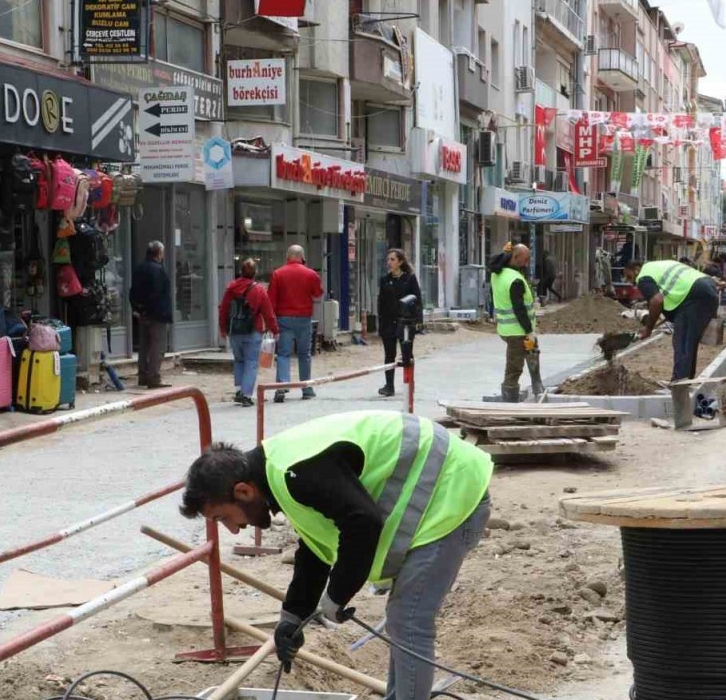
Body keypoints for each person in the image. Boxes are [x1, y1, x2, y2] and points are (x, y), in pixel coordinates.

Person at [178, 410, 492, 700]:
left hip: (453, 492)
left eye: (224, 518)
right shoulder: (281, 476)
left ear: (244, 491)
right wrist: (292, 617)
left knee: (409, 620)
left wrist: (336, 595)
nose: (233, 530)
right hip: (440, 493)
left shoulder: (296, 471)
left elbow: (362, 523)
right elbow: (314, 549)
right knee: (403, 619)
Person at [623, 258, 720, 381]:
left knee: (682, 341)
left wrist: (648, 328)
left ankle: (679, 383)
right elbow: (665, 298)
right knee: (689, 341)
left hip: (693, 295)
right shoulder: (657, 265)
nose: (630, 282)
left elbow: (656, 301)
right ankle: (686, 380)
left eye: (629, 276)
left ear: (636, 269)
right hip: (707, 286)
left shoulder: (643, 277)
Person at [219, 259, 278, 407]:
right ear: (255, 273)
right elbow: (268, 312)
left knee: (239, 360)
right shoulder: (258, 290)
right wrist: (274, 329)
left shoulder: (231, 288)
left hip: (234, 331)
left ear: (241, 271)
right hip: (253, 330)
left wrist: (223, 328)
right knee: (251, 363)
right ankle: (246, 395)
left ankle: (239, 390)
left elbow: (224, 309)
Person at [268, 245, 323, 403]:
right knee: (304, 354)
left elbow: (271, 299)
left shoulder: (277, 274)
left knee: (284, 353)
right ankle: (306, 388)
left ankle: (282, 385)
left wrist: (271, 322)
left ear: (287, 256)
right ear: (302, 257)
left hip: (283, 318)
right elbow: (318, 293)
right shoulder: (310, 274)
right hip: (303, 318)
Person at [491, 243, 544, 401]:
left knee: (532, 352)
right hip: (517, 331)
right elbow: (519, 309)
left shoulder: (497, 274)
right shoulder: (515, 280)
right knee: (514, 367)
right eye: (525, 259)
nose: (526, 263)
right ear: (515, 257)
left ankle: (538, 386)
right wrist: (529, 331)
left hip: (507, 329)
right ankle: (509, 400)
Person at [376, 249, 421, 397]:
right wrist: (380, 323)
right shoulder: (384, 280)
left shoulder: (409, 279)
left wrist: (418, 322)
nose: (389, 262)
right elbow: (381, 302)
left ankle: (409, 384)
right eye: (388, 259)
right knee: (389, 354)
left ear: (400, 262)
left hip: (405, 322)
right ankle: (389, 386)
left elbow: (417, 300)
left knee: (407, 354)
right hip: (388, 322)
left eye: (393, 259)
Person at [130, 241, 172, 388]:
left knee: (144, 346)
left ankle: (143, 376)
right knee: (157, 347)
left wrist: (138, 308)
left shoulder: (139, 268)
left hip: (143, 314)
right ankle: (154, 377)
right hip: (157, 314)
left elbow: (133, 291)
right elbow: (158, 293)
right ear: (159, 254)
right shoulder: (159, 270)